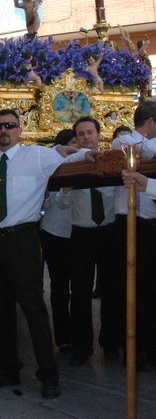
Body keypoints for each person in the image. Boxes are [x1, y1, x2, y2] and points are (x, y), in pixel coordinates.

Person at [0, 109, 90, 398]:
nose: (4, 130)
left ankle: (49, 375)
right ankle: (8, 368)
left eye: (9, 126)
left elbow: (73, 156)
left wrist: (90, 154)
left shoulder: (38, 156)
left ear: (19, 129)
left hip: (23, 241)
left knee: (34, 310)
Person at [56, 117, 117, 366]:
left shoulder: (114, 158)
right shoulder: (71, 164)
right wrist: (67, 189)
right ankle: (82, 346)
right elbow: (61, 204)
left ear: (99, 135)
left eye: (89, 132)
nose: (86, 137)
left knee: (112, 290)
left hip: (108, 232)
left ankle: (112, 343)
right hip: (81, 235)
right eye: (80, 134)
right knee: (79, 292)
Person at [112, 100, 156, 368]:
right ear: (150, 122)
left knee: (149, 289)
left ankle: (149, 346)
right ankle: (132, 346)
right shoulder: (124, 140)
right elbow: (137, 150)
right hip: (127, 224)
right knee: (128, 288)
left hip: (150, 226)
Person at [39, 129, 76, 353]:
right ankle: (63, 337)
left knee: (79, 288)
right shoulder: (50, 166)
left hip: (80, 232)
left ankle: (80, 334)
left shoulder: (88, 160)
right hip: (55, 232)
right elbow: (46, 204)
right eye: (71, 144)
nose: (76, 148)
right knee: (60, 286)